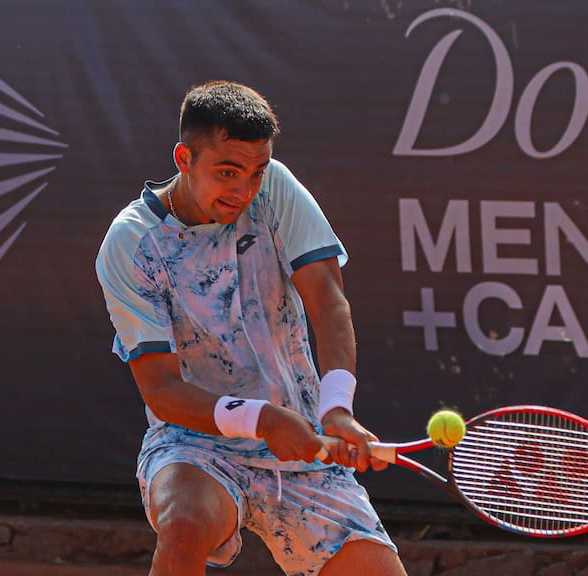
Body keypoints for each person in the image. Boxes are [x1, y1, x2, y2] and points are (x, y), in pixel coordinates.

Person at [95, 80, 407, 576]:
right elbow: (161, 390)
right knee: (184, 524)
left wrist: (337, 407)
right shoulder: (132, 245)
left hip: (305, 441)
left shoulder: (276, 190)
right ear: (184, 158)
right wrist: (262, 420)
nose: (243, 191)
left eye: (256, 173)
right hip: (196, 444)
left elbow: (328, 302)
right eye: (227, 172)